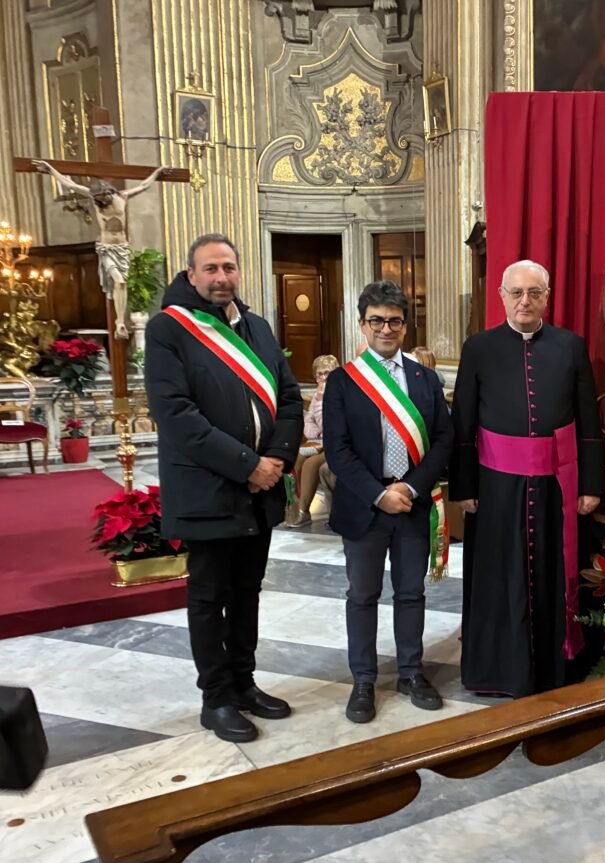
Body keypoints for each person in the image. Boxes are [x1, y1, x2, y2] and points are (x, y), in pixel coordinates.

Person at [145, 233, 303, 743]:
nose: (221, 277)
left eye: (229, 267)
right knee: (209, 597)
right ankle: (215, 699)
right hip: (207, 489)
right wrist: (247, 465)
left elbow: (289, 397)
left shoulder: (257, 327)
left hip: (260, 490)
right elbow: (176, 415)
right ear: (191, 275)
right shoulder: (169, 329)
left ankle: (244, 683)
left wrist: (277, 458)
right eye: (210, 269)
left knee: (248, 592)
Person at [449, 260, 604, 698]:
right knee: (501, 579)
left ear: (546, 298)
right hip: (496, 487)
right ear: (501, 296)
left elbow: (589, 419)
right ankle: (499, 671)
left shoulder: (570, 347)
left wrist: (591, 484)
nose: (525, 301)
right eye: (516, 292)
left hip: (558, 486)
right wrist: (464, 487)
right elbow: (463, 422)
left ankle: (559, 668)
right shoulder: (479, 348)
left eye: (534, 293)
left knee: (554, 575)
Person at [323, 280, 453, 724]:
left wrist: (411, 488)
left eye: (394, 321)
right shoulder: (343, 381)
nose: (385, 328)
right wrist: (379, 494)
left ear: (405, 325)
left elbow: (443, 441)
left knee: (411, 593)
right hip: (365, 504)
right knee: (362, 594)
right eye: (376, 320)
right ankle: (363, 679)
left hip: (412, 503)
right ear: (362, 324)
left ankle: (411, 672)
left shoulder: (425, 379)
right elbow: (337, 449)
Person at [32, 159, 169, 340]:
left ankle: (120, 321)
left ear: (109, 192)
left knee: (122, 283)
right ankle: (119, 322)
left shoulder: (122, 197)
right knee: (118, 280)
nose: (102, 202)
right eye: (99, 200)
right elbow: (69, 184)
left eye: (104, 198)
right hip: (107, 249)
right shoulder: (95, 199)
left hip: (122, 248)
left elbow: (143, 185)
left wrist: (158, 172)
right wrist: (51, 170)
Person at [287, 354, 339, 527]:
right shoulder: (317, 395)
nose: (323, 378)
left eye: (327, 373)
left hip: (336, 443)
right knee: (297, 459)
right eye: (320, 374)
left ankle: (304, 511)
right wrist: (314, 433)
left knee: (311, 465)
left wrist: (323, 401)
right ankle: (294, 506)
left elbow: (330, 424)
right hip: (320, 441)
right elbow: (309, 420)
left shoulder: (338, 393)